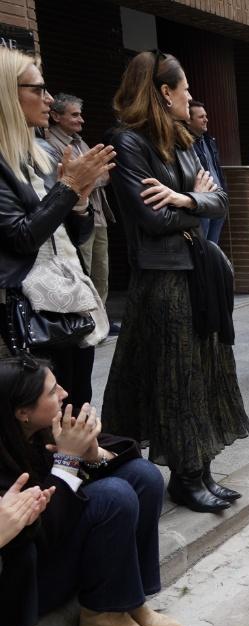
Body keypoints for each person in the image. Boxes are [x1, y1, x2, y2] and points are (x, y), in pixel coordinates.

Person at [102, 51, 249, 514]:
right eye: (185, 87)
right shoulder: (127, 143)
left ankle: (200, 471)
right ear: (165, 93)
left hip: (197, 272)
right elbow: (153, 217)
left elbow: (220, 199)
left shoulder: (182, 138)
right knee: (178, 379)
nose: (191, 95)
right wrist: (195, 200)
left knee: (204, 373)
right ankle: (185, 478)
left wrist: (186, 197)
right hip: (163, 278)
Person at [0, 356, 184, 626]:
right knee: (113, 495)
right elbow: (41, 536)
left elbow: (124, 449)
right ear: (22, 412)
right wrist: (67, 463)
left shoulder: (44, 429)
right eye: (51, 392)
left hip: (56, 548)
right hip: (33, 581)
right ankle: (103, 618)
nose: (63, 394)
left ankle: (132, 602)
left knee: (144, 477)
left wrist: (92, 452)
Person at [0, 48, 113, 412]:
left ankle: (78, 466)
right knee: (43, 411)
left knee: (78, 401)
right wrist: (68, 189)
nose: (48, 99)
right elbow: (21, 237)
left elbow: (71, 234)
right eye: (38, 89)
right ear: (7, 92)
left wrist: (79, 200)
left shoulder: (43, 152)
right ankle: (60, 469)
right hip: (27, 308)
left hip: (68, 297)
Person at [43, 93, 115, 304]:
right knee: (83, 271)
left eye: (80, 115)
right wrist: (94, 174)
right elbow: (72, 179)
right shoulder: (50, 144)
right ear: (56, 116)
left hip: (98, 216)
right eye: (75, 115)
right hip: (76, 218)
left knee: (102, 273)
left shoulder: (80, 143)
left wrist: (92, 175)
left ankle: (100, 322)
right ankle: (87, 323)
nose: (81, 120)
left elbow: (103, 174)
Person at [187, 100, 226, 244]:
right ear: (189, 120)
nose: (206, 119)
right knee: (201, 244)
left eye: (206, 116)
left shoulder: (209, 140)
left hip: (217, 199)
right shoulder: (186, 145)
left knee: (213, 246)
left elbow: (216, 169)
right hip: (202, 202)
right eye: (201, 117)